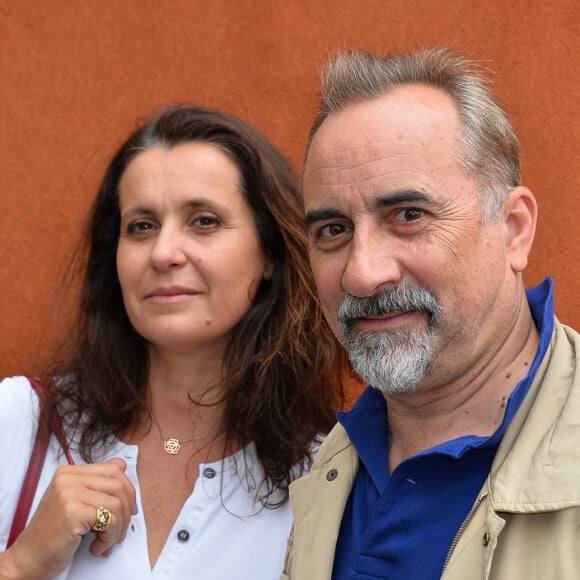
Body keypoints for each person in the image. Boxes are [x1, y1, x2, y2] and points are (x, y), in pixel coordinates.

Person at [0, 104, 345, 579]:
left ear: (269, 253)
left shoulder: (323, 480)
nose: (164, 253)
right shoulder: (19, 424)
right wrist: (21, 565)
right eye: (141, 226)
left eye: (204, 221)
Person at [281, 47, 580, 579]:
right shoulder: (328, 463)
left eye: (409, 215)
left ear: (513, 228)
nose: (362, 273)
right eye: (333, 230)